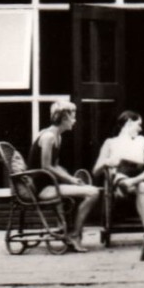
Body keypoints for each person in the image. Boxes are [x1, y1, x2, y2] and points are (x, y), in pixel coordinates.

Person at [29, 100, 101, 253]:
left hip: (50, 184)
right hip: (42, 188)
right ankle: (74, 235)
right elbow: (46, 166)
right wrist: (70, 180)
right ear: (64, 118)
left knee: (88, 191)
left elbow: (55, 166)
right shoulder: (49, 136)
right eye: (73, 116)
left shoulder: (57, 136)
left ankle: (71, 232)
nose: (75, 120)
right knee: (94, 192)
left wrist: (72, 180)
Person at [94, 110, 144, 252]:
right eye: (139, 124)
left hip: (137, 182)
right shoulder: (110, 143)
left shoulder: (141, 140)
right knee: (131, 180)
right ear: (128, 122)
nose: (141, 129)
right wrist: (107, 162)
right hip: (119, 184)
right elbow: (95, 171)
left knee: (142, 185)